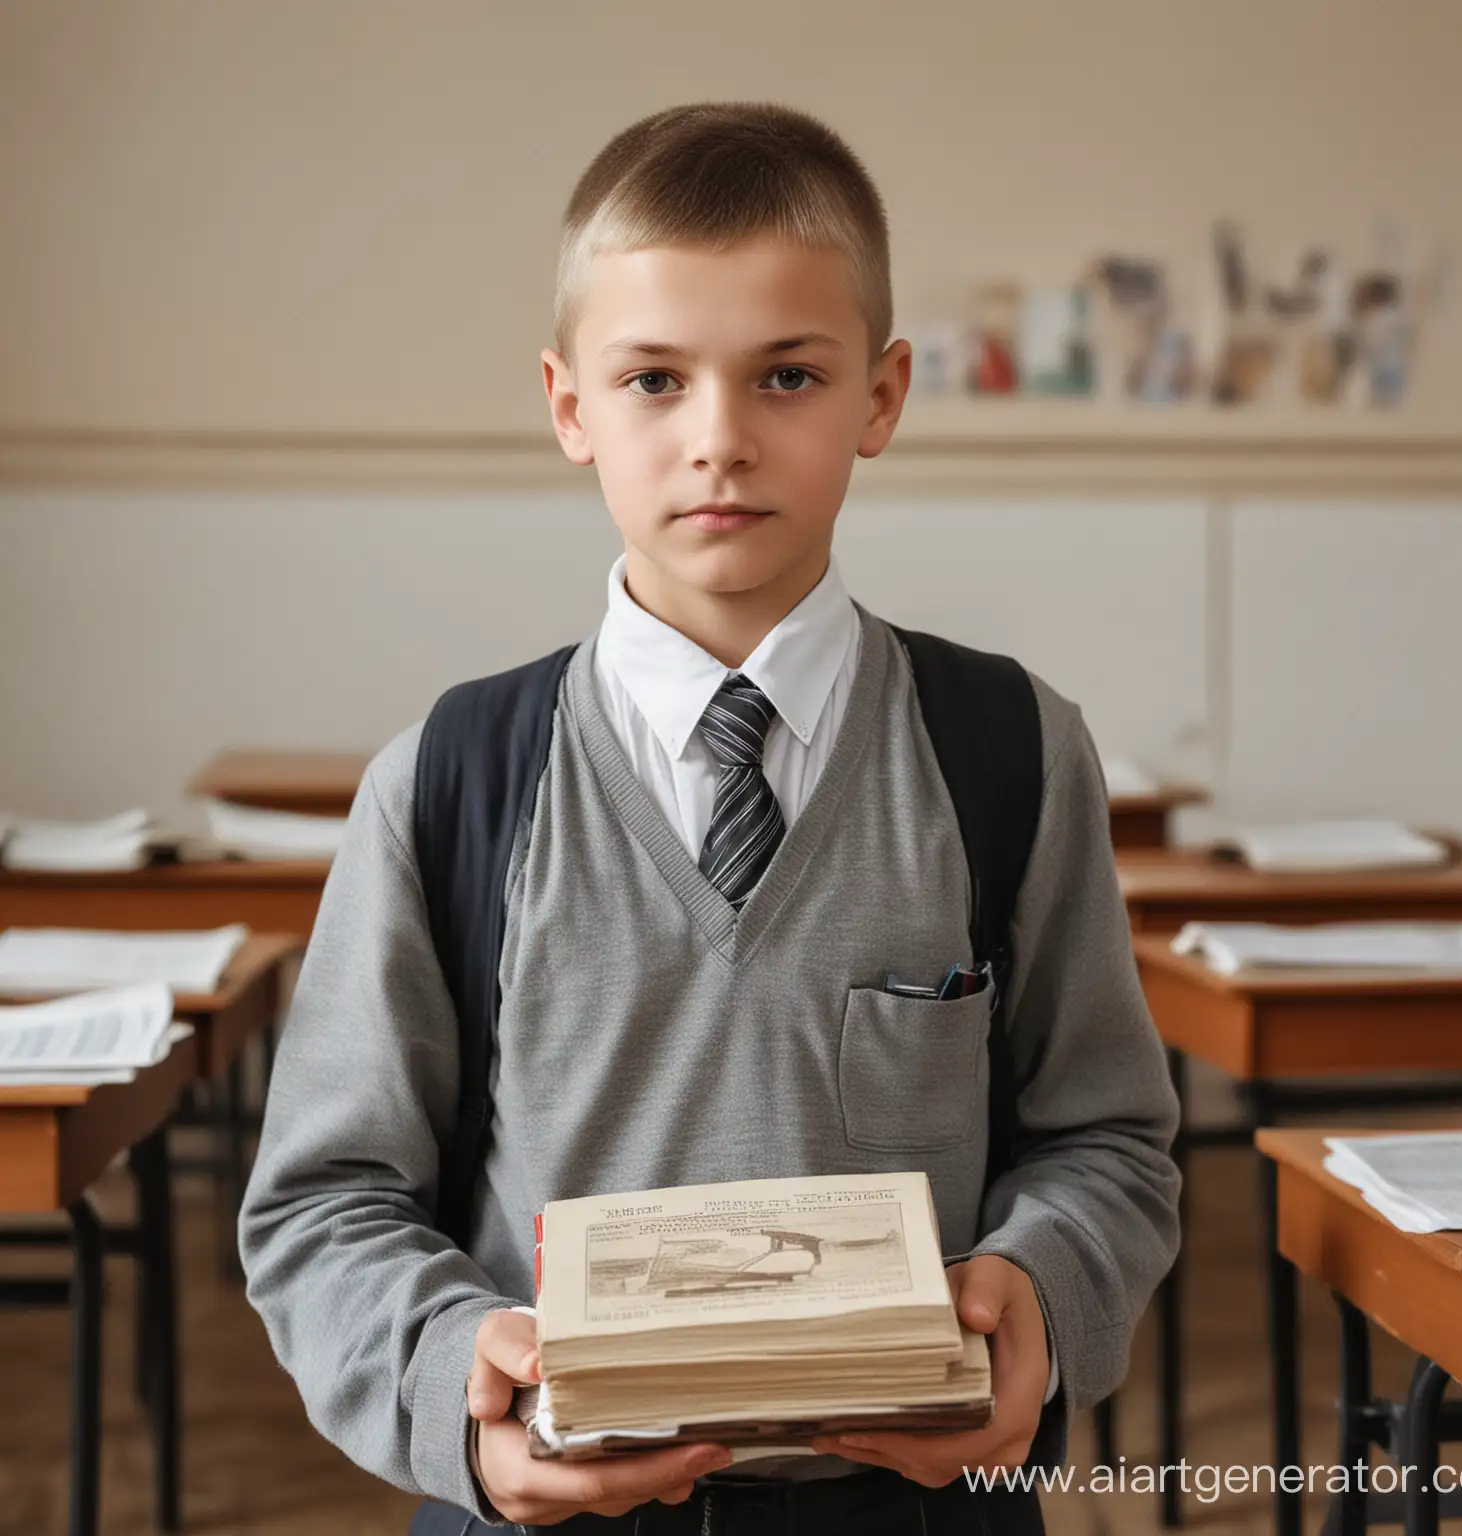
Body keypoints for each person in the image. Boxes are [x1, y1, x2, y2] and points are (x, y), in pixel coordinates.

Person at [239, 101, 1180, 1535]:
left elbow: (1107, 1140)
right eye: (656, 380)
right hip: (543, 1512)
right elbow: (325, 1201)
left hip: (917, 1508)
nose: (720, 440)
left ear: (882, 396)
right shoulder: (444, 781)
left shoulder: (1009, 751)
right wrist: (454, 1391)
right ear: (571, 407)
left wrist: (1041, 1289)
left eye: (788, 376)